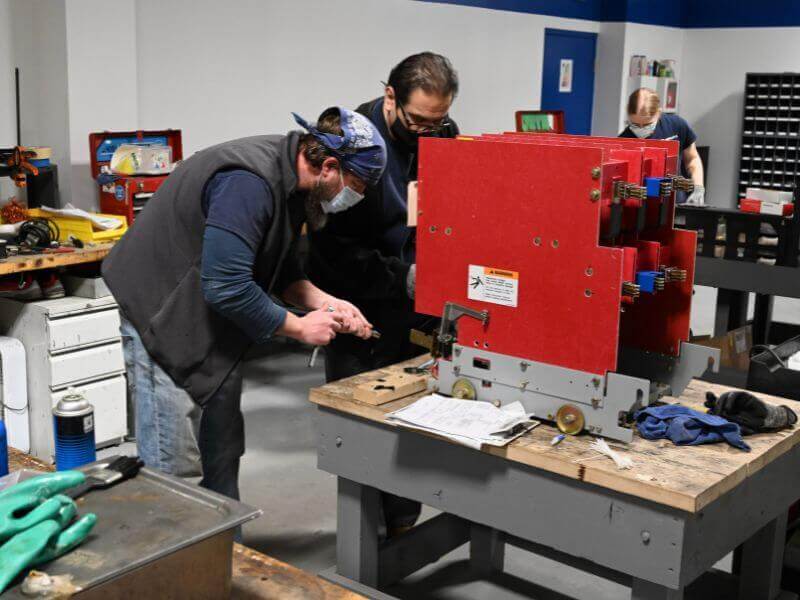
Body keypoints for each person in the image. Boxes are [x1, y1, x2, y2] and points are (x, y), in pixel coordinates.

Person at [102, 107, 386, 501]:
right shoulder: (249, 183)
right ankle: (177, 553)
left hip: (208, 315)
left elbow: (282, 272)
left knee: (222, 448)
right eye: (356, 185)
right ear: (330, 166)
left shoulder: (294, 187)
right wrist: (300, 327)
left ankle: (222, 553)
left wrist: (329, 302)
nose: (357, 197)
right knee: (175, 463)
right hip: (161, 311)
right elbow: (226, 285)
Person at [306, 52, 459, 535]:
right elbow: (332, 250)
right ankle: (363, 536)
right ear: (390, 96)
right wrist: (402, 277)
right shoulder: (353, 142)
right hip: (358, 299)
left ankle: (403, 521)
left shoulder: (441, 132)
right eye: (418, 120)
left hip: (419, 301)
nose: (427, 132)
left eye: (438, 121)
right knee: (363, 421)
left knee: (416, 414)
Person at [619, 88, 706, 204]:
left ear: (659, 113)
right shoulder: (623, 141)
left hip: (674, 201)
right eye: (635, 124)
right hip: (638, 204)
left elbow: (692, 159)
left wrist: (698, 188)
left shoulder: (677, 126)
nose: (641, 129)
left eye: (647, 124)